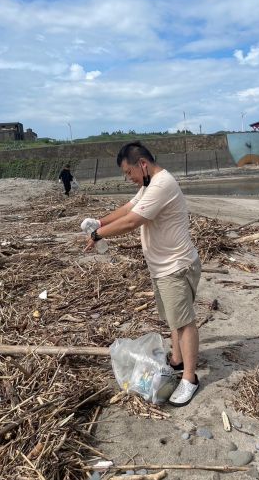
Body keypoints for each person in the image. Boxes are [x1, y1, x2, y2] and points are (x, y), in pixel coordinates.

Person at [84, 141, 201, 407]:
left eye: (129, 173)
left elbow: (132, 221)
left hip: (176, 265)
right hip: (162, 266)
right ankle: (177, 361)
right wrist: (101, 222)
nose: (129, 179)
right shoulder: (149, 185)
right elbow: (127, 209)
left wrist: (97, 234)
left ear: (143, 164)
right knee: (173, 320)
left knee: (184, 323)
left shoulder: (162, 184)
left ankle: (190, 379)